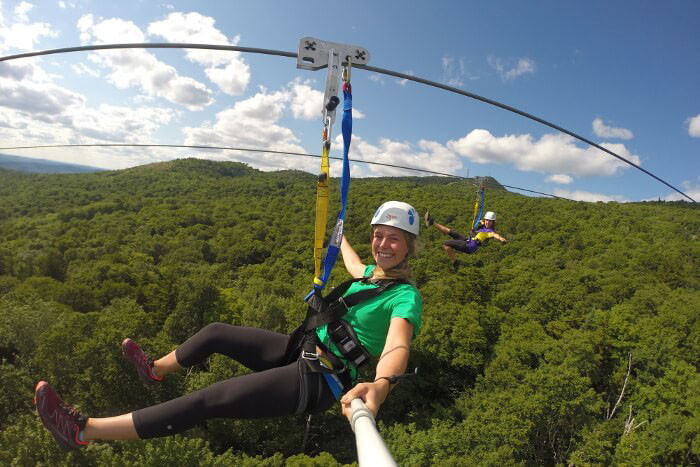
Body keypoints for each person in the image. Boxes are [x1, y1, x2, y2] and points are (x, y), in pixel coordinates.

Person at [34, 201, 423, 450]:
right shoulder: (372, 273)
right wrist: (335, 233)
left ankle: (82, 430)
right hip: (301, 349)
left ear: (409, 247)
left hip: (323, 378)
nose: (383, 244)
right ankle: (154, 371)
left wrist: (382, 383)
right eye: (378, 236)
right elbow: (355, 266)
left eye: (394, 239)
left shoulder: (405, 297)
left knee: (209, 399)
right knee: (216, 332)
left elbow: (397, 346)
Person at [424, 210, 506, 271]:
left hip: (470, 247)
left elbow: (495, 235)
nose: (488, 222)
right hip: (468, 240)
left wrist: (501, 239)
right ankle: (432, 222)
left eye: (490, 221)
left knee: (446, 244)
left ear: (493, 222)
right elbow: (481, 221)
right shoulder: (482, 225)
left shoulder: (490, 231)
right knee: (452, 232)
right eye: (487, 220)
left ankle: (455, 262)